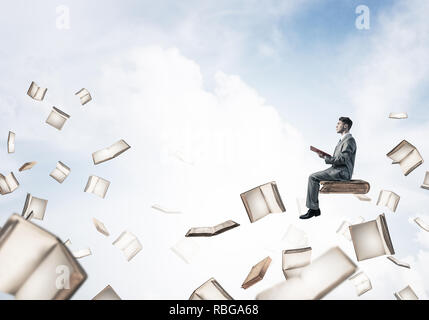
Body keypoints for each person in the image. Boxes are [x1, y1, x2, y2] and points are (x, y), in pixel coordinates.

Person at [300, 117, 357, 219]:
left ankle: (314, 209)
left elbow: (343, 159)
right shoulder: (342, 141)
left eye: (339, 123)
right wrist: (325, 157)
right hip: (336, 169)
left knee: (313, 177)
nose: (336, 125)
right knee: (313, 177)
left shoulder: (349, 141)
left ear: (345, 126)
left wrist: (327, 158)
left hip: (342, 172)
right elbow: (339, 158)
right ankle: (314, 209)